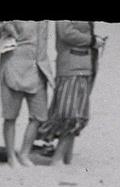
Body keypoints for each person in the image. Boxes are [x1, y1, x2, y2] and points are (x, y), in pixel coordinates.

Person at [0, 20, 53, 167]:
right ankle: (11, 156)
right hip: (14, 65)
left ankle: (24, 153)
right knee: (10, 115)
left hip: (38, 67)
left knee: (38, 115)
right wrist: (5, 26)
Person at [40, 20, 100, 167]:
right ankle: (58, 158)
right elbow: (66, 33)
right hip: (72, 66)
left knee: (76, 113)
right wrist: (92, 41)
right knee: (71, 114)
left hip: (83, 65)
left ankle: (66, 158)